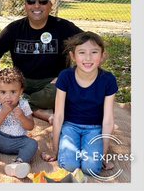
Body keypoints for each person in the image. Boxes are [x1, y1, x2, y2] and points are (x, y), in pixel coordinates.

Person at [0, 0, 83, 113]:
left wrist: (68, 74)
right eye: (31, 1)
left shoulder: (63, 27)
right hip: (19, 82)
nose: (37, 6)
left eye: (42, 1)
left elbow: (92, 46)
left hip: (50, 84)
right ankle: (30, 106)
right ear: (25, 5)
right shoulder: (14, 29)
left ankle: (16, 103)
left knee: (61, 91)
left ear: (50, 6)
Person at [45, 32, 118, 176]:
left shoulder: (108, 80)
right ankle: (70, 146)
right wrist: (55, 149)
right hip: (70, 126)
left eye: (94, 52)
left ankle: (92, 148)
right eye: (82, 52)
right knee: (69, 165)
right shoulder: (65, 76)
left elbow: (108, 119)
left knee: (90, 167)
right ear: (73, 56)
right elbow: (59, 115)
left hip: (95, 129)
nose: (88, 58)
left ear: (102, 55)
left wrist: (102, 154)